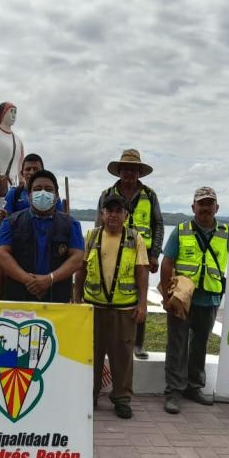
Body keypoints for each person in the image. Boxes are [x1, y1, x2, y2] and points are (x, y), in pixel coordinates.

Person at [75, 194, 148, 419]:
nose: (113, 215)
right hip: (93, 308)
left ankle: (121, 398)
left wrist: (142, 303)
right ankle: (90, 396)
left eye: (118, 211)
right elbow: (81, 269)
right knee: (91, 355)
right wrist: (76, 299)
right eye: (109, 211)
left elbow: (142, 272)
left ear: (126, 215)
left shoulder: (135, 239)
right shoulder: (91, 236)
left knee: (123, 357)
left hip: (124, 310)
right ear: (102, 214)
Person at [161, 187, 229, 414]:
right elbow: (167, 263)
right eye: (201, 204)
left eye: (210, 204)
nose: (205, 208)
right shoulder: (180, 231)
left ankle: (194, 386)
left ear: (216, 208)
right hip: (182, 300)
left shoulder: (226, 233)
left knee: (200, 345)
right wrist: (166, 298)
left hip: (209, 300)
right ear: (193, 208)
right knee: (177, 345)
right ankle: (173, 391)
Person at [96, 149, 164, 360]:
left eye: (133, 169)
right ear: (119, 171)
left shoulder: (150, 195)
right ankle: (108, 341)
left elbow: (158, 224)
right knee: (112, 293)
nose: (129, 173)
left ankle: (138, 343)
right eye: (125, 169)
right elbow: (99, 224)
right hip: (112, 250)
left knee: (140, 295)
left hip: (141, 253)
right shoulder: (107, 194)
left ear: (139, 173)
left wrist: (154, 254)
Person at [0, 170, 83, 303]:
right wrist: (28, 280)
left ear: (56, 196)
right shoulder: (11, 222)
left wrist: (50, 279)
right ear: (29, 196)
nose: (42, 193)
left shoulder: (71, 224)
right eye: (37, 189)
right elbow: (1, 255)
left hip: (57, 300)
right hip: (18, 300)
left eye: (48, 189)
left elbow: (77, 258)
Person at [1, 153, 64, 218]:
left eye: (35, 169)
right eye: (28, 169)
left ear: (42, 171)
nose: (32, 172)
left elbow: (61, 219)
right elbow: (7, 219)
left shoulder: (51, 195)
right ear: (22, 173)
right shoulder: (14, 193)